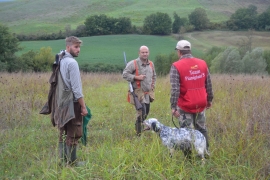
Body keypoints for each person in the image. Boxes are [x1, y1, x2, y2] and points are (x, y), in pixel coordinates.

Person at [170, 40, 213, 156]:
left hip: (185, 105)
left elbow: (175, 89)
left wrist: (173, 107)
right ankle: (206, 153)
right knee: (202, 128)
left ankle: (188, 159)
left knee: (185, 132)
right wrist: (209, 100)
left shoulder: (176, 66)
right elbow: (208, 83)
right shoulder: (202, 63)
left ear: (179, 52)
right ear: (190, 50)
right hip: (201, 102)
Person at [123, 46, 156, 136]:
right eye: (143, 52)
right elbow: (125, 75)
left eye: (146, 52)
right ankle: (138, 133)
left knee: (146, 112)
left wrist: (153, 86)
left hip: (148, 93)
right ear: (139, 53)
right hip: (138, 93)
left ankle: (139, 126)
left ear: (148, 53)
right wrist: (136, 77)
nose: (145, 54)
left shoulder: (151, 64)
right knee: (142, 112)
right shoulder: (133, 63)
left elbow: (154, 76)